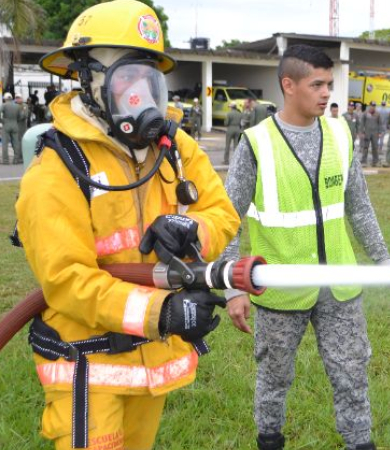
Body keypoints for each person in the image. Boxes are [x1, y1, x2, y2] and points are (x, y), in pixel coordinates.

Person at [16, 2, 240, 449]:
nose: (141, 94)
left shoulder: (173, 149)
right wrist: (163, 313)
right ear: (89, 80)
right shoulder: (59, 168)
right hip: (87, 368)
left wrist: (193, 230)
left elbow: (224, 215)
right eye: (127, 78)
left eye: (149, 79)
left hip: (150, 361)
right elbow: (66, 281)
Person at [220, 44, 390, 450]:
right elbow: (226, 220)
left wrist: (385, 262)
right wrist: (234, 285)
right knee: (274, 378)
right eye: (317, 84)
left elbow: (359, 206)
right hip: (280, 287)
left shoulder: (341, 133)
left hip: (339, 285)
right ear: (289, 85)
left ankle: (361, 443)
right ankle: (270, 441)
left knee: (352, 374)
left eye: (329, 84)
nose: (326, 93)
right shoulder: (255, 143)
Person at [0, 92, 22, 164]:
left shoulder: (4, 105)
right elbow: (20, 116)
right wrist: (15, 121)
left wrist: (1, 121)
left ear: (5, 99)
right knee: (16, 143)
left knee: (5, 143)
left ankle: (5, 160)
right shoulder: (17, 106)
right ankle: (16, 159)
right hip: (15, 124)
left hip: (6, 124)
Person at [360, 100, 382, 167]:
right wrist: (362, 132)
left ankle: (375, 162)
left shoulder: (378, 114)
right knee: (365, 147)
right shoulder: (365, 113)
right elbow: (362, 123)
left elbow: (380, 124)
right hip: (367, 133)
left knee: (375, 147)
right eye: (372, 106)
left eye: (374, 106)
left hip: (375, 134)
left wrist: (380, 132)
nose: (373, 107)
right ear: (369, 106)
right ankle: (364, 161)